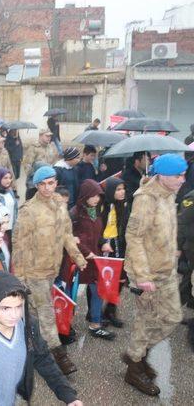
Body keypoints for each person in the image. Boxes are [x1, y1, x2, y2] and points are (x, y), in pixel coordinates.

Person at [0, 272, 83, 406]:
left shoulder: (29, 327)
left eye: (19, 306)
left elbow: (44, 359)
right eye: (5, 308)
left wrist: (68, 395)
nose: (14, 315)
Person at [12, 165, 87, 375]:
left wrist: (78, 257)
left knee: (35, 312)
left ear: (56, 183)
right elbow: (19, 245)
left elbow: (66, 235)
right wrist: (19, 277)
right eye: (42, 184)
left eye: (51, 183)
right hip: (34, 270)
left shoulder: (60, 205)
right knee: (45, 313)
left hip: (52, 269)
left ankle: (30, 346)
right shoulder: (29, 210)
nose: (47, 188)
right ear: (36, 186)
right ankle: (59, 356)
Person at [122, 153, 187, 396]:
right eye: (178, 175)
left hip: (166, 268)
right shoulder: (146, 199)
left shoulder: (169, 195)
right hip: (147, 272)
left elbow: (165, 229)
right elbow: (134, 237)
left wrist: (174, 249)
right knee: (146, 319)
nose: (183, 179)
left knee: (172, 317)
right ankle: (134, 368)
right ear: (163, 175)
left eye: (184, 174)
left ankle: (135, 356)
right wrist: (142, 275)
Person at [70, 179, 116, 340]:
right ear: (85, 195)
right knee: (71, 294)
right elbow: (71, 238)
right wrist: (85, 251)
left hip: (94, 259)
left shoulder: (95, 211)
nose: (96, 199)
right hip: (76, 261)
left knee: (97, 291)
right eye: (93, 195)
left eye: (99, 195)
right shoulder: (74, 213)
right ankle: (66, 325)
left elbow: (98, 233)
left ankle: (95, 324)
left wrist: (103, 243)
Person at [99, 177, 128, 327]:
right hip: (106, 246)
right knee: (104, 280)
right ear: (111, 191)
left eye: (123, 188)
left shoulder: (123, 205)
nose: (122, 192)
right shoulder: (102, 205)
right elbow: (95, 228)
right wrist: (102, 242)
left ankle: (110, 311)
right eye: (118, 189)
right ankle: (95, 314)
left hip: (120, 244)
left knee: (120, 280)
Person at [178, 189, 194, 309]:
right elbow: (183, 223)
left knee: (189, 278)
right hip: (191, 245)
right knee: (188, 278)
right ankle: (174, 307)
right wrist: (178, 246)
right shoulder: (191, 197)